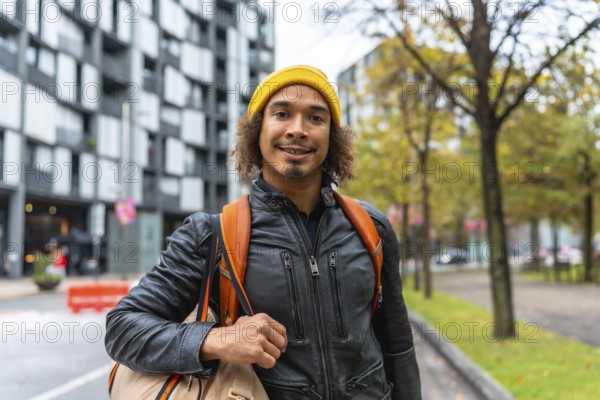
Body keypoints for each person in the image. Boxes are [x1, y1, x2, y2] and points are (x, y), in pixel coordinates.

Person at [105, 65, 421, 399]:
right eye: (282, 113)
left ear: (333, 138)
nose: (297, 130)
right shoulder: (210, 235)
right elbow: (123, 327)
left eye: (316, 118)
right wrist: (215, 340)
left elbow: (398, 346)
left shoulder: (372, 227)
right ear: (257, 131)